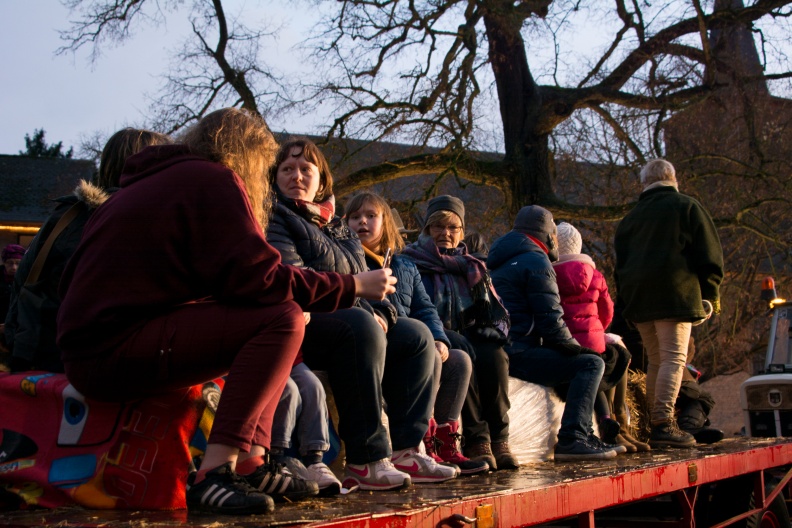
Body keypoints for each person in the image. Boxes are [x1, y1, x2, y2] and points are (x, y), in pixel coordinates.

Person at [56, 108, 398, 515]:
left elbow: (226, 280)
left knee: (278, 313)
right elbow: (262, 279)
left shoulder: (157, 184)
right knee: (282, 316)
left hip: (97, 345)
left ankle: (253, 463)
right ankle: (216, 472)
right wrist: (353, 285)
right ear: (248, 153)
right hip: (111, 352)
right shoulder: (214, 179)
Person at [266, 138, 457, 491]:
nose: (296, 176)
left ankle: (405, 449)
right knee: (359, 326)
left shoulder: (338, 227)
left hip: (353, 314)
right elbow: (295, 280)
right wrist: (359, 294)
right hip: (308, 321)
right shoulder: (277, 217)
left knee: (416, 335)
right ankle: (365, 459)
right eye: (287, 169)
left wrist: (384, 313)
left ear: (321, 179)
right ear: (274, 176)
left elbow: (374, 285)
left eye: (306, 169)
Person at [4, 128, 172, 373]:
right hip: (107, 376)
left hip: (38, 369)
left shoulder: (64, 217)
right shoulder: (146, 225)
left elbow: (21, 288)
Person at [346, 192, 488, 475]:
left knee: (458, 359)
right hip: (379, 340)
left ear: (385, 223)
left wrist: (439, 338)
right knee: (423, 345)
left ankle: (444, 443)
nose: (362, 222)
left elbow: (425, 309)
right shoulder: (348, 258)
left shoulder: (405, 265)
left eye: (371, 216)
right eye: (355, 217)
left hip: (409, 340)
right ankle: (416, 443)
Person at [487, 205, 617, 461]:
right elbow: (550, 319)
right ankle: (573, 438)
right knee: (590, 364)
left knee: (579, 361)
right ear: (546, 232)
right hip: (521, 351)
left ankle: (585, 433)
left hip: (504, 349)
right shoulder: (536, 260)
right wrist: (575, 348)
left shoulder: (503, 259)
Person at [402, 195, 518, 470]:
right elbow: (410, 307)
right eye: (438, 227)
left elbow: (492, 310)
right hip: (435, 333)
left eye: (453, 228)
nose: (445, 233)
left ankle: (500, 438)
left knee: (495, 355)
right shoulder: (411, 261)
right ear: (427, 230)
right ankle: (477, 439)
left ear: (462, 232)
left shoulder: (473, 266)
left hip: (469, 330)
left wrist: (490, 329)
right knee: (463, 351)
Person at [614, 159, 724, 449]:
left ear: (644, 184)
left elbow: (621, 266)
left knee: (656, 361)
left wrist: (627, 303)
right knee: (674, 360)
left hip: (639, 301)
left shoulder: (630, 219)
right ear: (673, 178)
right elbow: (710, 255)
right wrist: (710, 296)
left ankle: (655, 424)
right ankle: (663, 423)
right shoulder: (687, 207)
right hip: (674, 297)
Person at [552, 222, 646, 453]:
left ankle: (608, 422)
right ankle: (618, 423)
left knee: (594, 364)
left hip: (565, 341)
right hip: (593, 340)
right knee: (613, 356)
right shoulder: (595, 274)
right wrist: (598, 331)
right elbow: (608, 310)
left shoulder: (549, 274)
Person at [0, 244, 26, 355]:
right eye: (10, 263)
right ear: (4, 263)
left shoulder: (27, 279)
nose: (14, 267)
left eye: (18, 263)